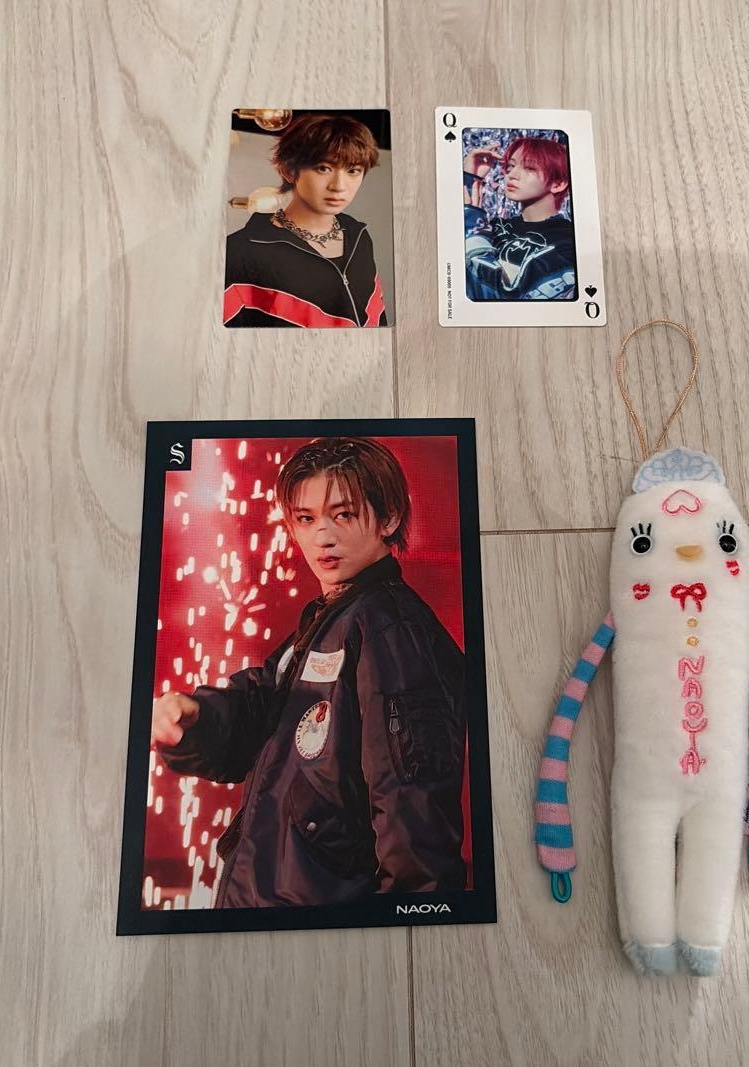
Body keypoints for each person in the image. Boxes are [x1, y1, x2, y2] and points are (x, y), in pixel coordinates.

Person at [151, 438, 466, 907]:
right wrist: (195, 718)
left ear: (389, 518)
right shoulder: (333, 619)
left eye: (343, 515)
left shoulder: (391, 632)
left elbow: (413, 811)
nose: (323, 536)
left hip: (319, 913)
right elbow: (262, 709)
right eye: (305, 518)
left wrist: (408, 925)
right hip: (277, 902)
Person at [224, 113, 387, 327]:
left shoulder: (359, 236)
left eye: (353, 171)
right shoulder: (240, 252)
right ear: (288, 170)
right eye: (323, 168)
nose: (339, 186)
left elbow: (377, 321)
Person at [463, 134, 577, 302]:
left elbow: (505, 297)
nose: (512, 175)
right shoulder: (497, 227)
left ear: (558, 184)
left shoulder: (568, 242)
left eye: (529, 168)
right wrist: (470, 178)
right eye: (511, 166)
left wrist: (471, 222)